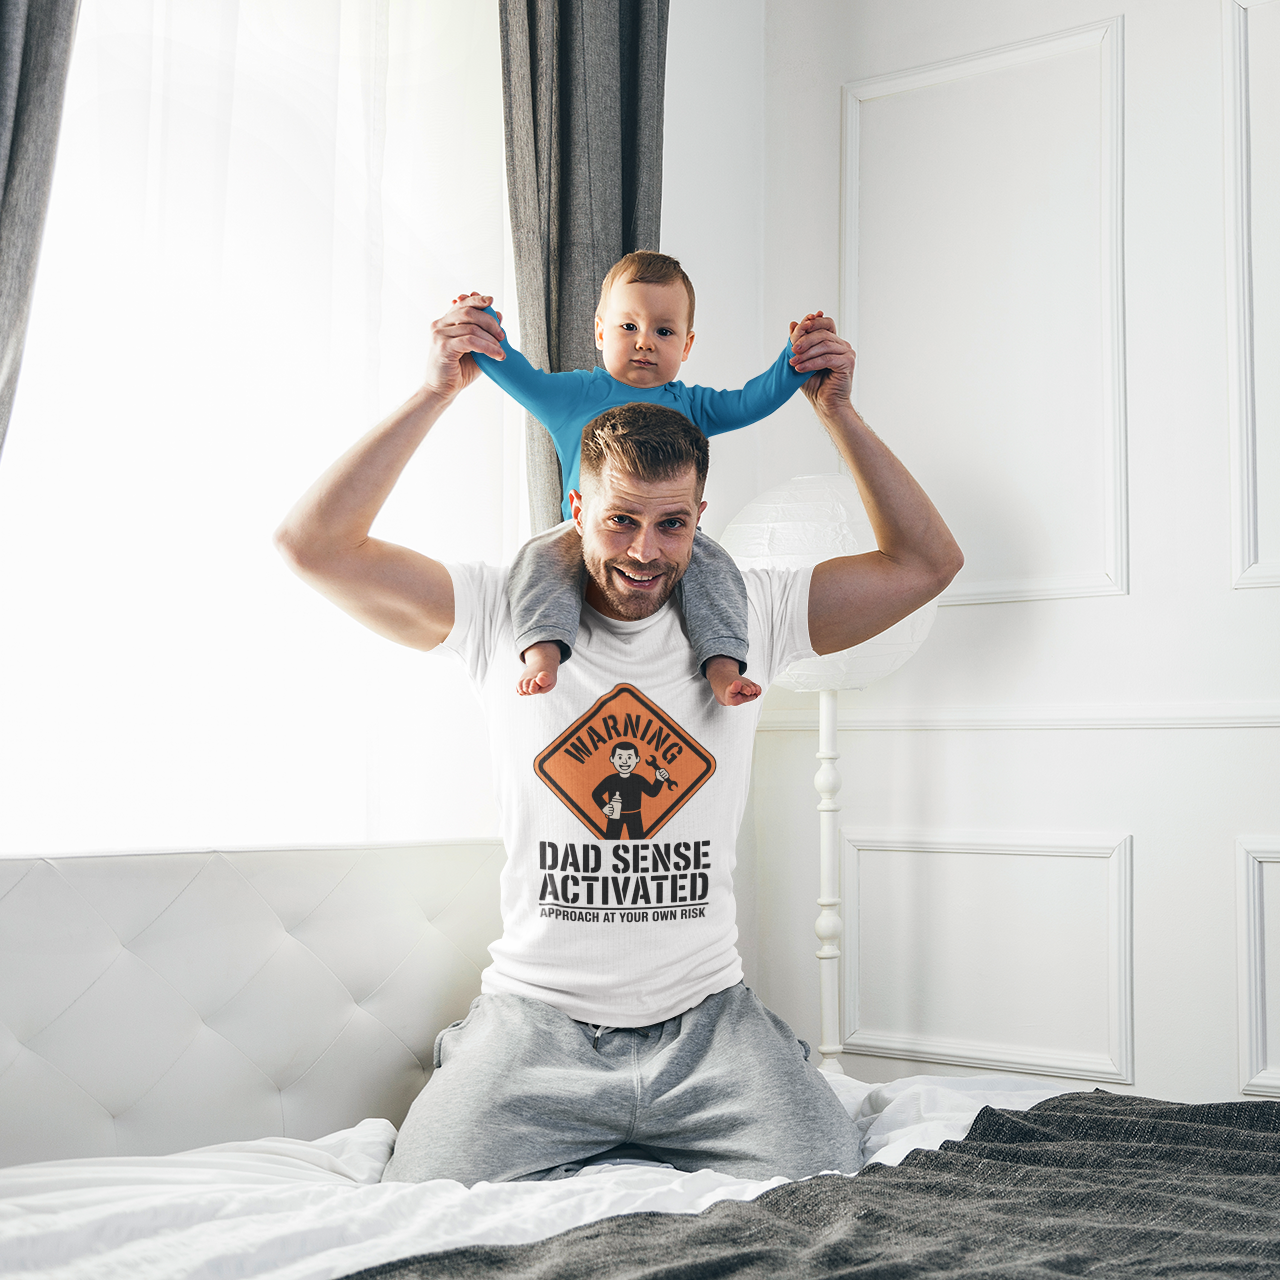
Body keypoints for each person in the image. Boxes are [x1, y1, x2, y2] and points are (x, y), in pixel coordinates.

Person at [274, 294, 962, 1187]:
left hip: (708, 1027)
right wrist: (435, 392)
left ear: (701, 516)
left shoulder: (752, 609)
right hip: (536, 1025)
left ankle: (763, 1062)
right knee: (423, 1198)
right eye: (620, 521)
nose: (645, 552)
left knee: (829, 1194)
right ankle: (471, 1056)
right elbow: (311, 544)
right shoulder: (496, 614)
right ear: (575, 505)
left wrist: (837, 413)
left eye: (673, 524)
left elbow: (925, 563)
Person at [463, 251, 822, 708]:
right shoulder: (571, 396)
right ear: (599, 330)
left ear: (687, 346)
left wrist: (794, 360)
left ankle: (724, 666)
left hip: (669, 533)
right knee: (541, 558)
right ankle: (542, 652)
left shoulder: (692, 404)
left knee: (716, 569)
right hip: (587, 534)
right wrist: (482, 321)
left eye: (664, 331)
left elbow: (751, 400)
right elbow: (511, 369)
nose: (645, 342)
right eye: (628, 327)